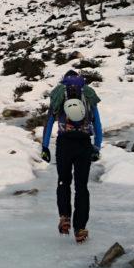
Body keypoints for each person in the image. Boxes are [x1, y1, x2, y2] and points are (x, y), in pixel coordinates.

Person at [40, 69, 102, 243]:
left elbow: (49, 122)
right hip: (83, 143)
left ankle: (65, 217)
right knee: (81, 187)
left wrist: (45, 147)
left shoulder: (59, 93)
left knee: (63, 181)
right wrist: (96, 147)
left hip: (64, 143)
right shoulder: (88, 94)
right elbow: (97, 123)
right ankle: (80, 228)